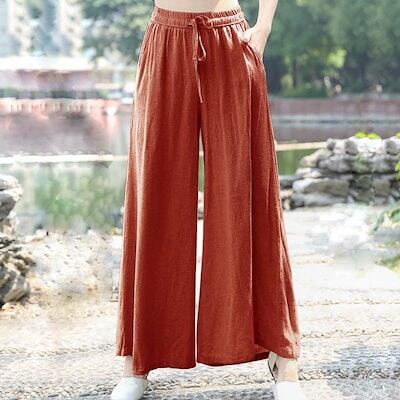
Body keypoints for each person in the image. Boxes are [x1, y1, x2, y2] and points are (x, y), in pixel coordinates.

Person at [111, 0, 307, 399]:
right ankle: (137, 361)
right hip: (165, 39)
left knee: (249, 193)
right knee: (153, 198)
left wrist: (264, 26)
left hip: (230, 39)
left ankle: (284, 358)